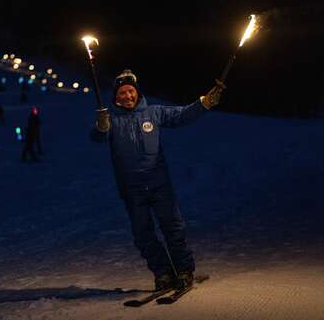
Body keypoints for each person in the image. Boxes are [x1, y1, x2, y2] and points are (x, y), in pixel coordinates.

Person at [91, 69, 224, 291]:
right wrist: (100, 126)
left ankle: (183, 271)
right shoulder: (111, 120)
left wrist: (205, 102)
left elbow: (182, 115)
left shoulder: (153, 113)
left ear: (137, 92)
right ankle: (162, 273)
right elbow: (96, 137)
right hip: (131, 189)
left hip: (159, 184)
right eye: (122, 93)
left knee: (173, 228)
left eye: (130, 91)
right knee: (143, 234)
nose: (127, 96)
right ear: (115, 97)